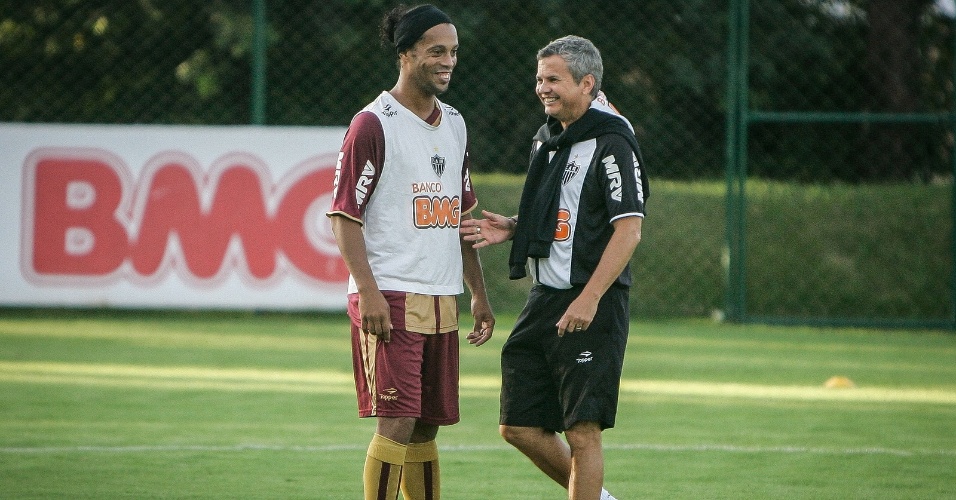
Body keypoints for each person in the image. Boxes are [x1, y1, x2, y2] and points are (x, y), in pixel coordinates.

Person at [461, 35, 649, 500]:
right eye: (540, 79)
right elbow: (563, 210)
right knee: (517, 425)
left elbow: (628, 229)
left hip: (590, 300)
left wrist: (590, 297)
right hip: (545, 298)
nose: (543, 88)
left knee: (582, 431)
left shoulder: (612, 141)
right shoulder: (549, 138)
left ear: (587, 84)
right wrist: (514, 225)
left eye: (554, 79)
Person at [326, 5, 495, 500]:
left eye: (454, 52)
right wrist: (370, 293)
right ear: (405, 55)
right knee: (396, 422)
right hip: (392, 296)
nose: (448, 61)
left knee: (426, 427)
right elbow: (343, 216)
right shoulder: (372, 125)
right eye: (436, 51)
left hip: (442, 297)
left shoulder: (455, 124)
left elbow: (461, 218)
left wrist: (478, 295)